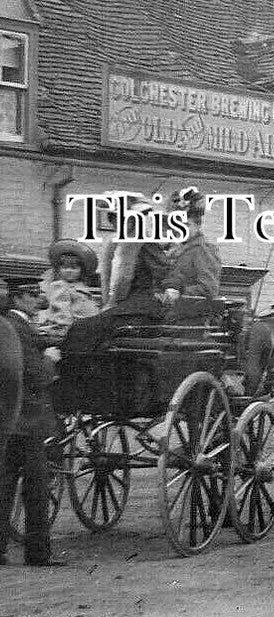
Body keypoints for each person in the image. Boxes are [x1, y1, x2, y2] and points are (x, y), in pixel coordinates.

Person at [0, 278, 63, 566]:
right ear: (18, 298)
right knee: (37, 487)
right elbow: (36, 377)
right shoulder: (19, 328)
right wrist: (50, 359)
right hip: (29, 420)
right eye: (32, 294)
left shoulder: (11, 325)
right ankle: (38, 554)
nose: (37, 299)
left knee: (6, 483)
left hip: (11, 419)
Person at [61, 193, 169, 354]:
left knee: (82, 329)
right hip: (134, 308)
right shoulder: (128, 244)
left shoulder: (139, 242)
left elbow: (133, 277)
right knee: (86, 329)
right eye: (113, 218)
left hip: (140, 309)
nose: (115, 223)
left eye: (118, 218)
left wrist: (111, 304)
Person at [162, 186, 221, 308]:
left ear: (198, 225)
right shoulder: (176, 250)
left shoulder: (203, 249)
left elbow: (209, 288)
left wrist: (180, 293)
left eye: (186, 225)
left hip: (191, 315)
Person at [37, 239, 99, 340]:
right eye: (65, 268)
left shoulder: (80, 287)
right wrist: (66, 330)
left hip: (86, 329)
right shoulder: (60, 286)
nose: (69, 271)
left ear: (81, 270)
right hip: (70, 333)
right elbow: (61, 312)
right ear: (59, 270)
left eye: (74, 268)